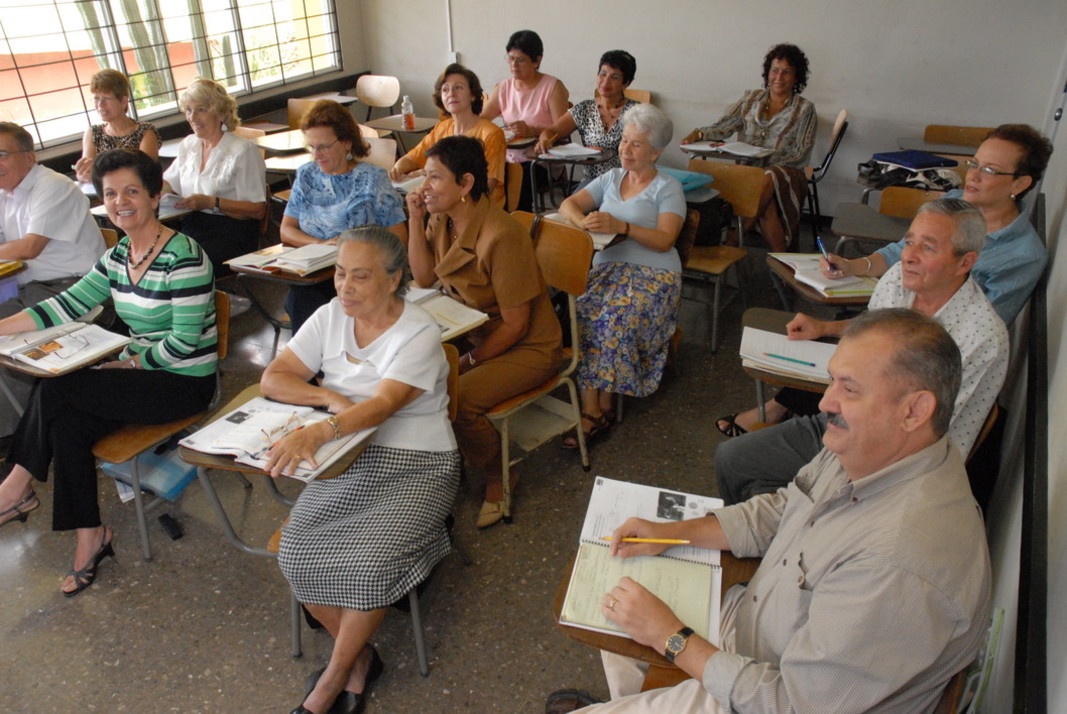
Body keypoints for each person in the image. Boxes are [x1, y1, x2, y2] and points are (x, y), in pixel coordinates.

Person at [546, 309, 992, 714]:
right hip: (757, 628)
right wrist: (675, 532)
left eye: (849, 389)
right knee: (619, 587)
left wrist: (673, 638)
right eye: (833, 380)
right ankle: (648, 697)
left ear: (915, 410)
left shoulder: (900, 561)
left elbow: (793, 704)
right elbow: (784, 507)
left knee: (637, 618)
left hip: (769, 691)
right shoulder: (873, 448)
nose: (824, 403)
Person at [0, 149, 217, 597]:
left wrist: (128, 362)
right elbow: (67, 304)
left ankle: (15, 487)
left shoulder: (185, 256)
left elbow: (185, 343)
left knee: (58, 385)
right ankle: (90, 537)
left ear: (156, 197)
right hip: (137, 377)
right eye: (111, 193)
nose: (121, 201)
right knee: (67, 425)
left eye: (132, 191)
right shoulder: (118, 254)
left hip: (182, 382)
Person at [262, 226, 459, 714]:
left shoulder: (418, 332)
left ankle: (332, 679)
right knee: (295, 554)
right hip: (349, 454)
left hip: (419, 460)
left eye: (361, 277)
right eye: (340, 273)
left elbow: (383, 405)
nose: (345, 287)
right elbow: (274, 377)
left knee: (368, 566)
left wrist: (323, 429)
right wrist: (327, 397)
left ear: (394, 279)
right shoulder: (331, 316)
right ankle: (361, 655)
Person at [714, 198, 1008, 506]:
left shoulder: (982, 337)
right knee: (732, 458)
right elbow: (871, 330)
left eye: (928, 247)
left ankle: (782, 538)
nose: (909, 256)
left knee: (773, 501)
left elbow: (931, 435)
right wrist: (826, 330)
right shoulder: (897, 279)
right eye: (909, 242)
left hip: (897, 463)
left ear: (965, 262)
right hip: (845, 422)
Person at [405, 135, 561, 529]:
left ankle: (498, 473)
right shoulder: (443, 219)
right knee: (411, 373)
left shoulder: (501, 235)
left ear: (466, 184)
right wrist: (414, 220)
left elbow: (517, 325)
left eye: (435, 178)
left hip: (528, 345)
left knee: (461, 397)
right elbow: (423, 278)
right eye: (425, 176)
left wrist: (471, 362)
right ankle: (441, 459)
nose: (425, 188)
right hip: (475, 329)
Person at [819, 124, 1052, 325]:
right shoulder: (953, 200)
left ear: (1019, 184)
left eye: (989, 170)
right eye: (974, 164)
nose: (973, 176)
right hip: (893, 320)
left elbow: (979, 327)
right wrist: (852, 266)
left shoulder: (1024, 256)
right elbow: (900, 252)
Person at [556, 104, 685, 447]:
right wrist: (583, 223)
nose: (625, 149)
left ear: (656, 152)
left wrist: (623, 227)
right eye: (625, 141)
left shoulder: (668, 187)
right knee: (583, 310)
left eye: (636, 145)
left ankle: (599, 408)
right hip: (610, 267)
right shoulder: (611, 177)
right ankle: (594, 406)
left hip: (655, 273)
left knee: (615, 317)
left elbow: (665, 240)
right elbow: (568, 204)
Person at [0, 121, 105, 437]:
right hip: (35, 287)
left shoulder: (52, 186)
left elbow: (30, 247)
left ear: (28, 157)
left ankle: (14, 434)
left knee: (5, 337)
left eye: (2, 154)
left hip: (76, 289)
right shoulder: (7, 192)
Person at [280, 99, 406, 332]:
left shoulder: (372, 179)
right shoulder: (306, 175)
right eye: (312, 147)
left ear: (347, 143)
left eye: (324, 146)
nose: (317, 155)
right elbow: (286, 229)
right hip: (314, 271)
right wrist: (321, 244)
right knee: (303, 297)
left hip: (360, 273)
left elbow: (399, 238)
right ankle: (314, 363)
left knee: (307, 302)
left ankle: (319, 364)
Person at [680, 43, 816, 252]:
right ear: (767, 73)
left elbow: (801, 153)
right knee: (766, 202)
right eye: (775, 70)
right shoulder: (750, 99)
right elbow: (725, 126)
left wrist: (768, 161)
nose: (779, 77)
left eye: (786, 72)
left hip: (788, 175)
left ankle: (734, 239)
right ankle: (783, 264)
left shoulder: (805, 108)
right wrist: (698, 134)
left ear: (796, 77)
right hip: (748, 172)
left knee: (767, 177)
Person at [163, 78, 267, 275]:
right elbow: (169, 182)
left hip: (232, 231)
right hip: (192, 225)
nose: (193, 117)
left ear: (220, 112)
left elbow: (258, 210)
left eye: (201, 109)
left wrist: (211, 202)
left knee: (183, 268)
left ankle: (208, 302)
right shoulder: (189, 144)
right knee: (159, 259)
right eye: (188, 110)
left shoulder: (242, 150)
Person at [389, 64, 507, 207]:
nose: (451, 93)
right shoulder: (442, 128)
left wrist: (425, 173)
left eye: (458, 87)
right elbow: (413, 157)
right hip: (443, 202)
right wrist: (398, 168)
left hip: (478, 208)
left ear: (473, 95)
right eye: (445, 90)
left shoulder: (491, 133)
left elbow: (486, 186)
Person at [481, 29, 570, 211]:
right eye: (510, 58)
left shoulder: (552, 87)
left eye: (520, 60)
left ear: (537, 60)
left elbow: (563, 132)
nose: (514, 65)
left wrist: (533, 132)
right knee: (479, 174)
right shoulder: (504, 87)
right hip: (507, 157)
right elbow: (482, 120)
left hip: (542, 161)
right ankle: (490, 225)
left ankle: (518, 226)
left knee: (515, 179)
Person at [536, 50, 640, 187]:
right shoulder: (584, 109)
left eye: (614, 77)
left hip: (626, 182)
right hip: (592, 182)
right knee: (569, 207)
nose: (606, 81)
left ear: (626, 83)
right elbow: (551, 131)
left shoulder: (637, 112)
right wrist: (544, 140)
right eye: (603, 74)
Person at [74, 68, 160, 183]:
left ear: (123, 101)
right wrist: (82, 175)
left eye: (106, 99)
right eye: (96, 98)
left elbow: (145, 174)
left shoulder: (145, 132)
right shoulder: (93, 133)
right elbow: (87, 170)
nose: (100, 105)